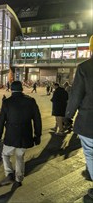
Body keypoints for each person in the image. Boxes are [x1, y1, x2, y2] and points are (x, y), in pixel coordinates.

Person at [0, 81, 42, 189]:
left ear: (11, 89)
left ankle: (9, 173)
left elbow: (1, 120)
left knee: (5, 154)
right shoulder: (31, 101)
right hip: (25, 134)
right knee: (20, 156)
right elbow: (37, 119)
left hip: (11, 134)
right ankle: (19, 178)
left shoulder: (7, 102)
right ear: (21, 89)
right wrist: (38, 135)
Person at [64, 35, 93, 199]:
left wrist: (68, 116)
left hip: (89, 122)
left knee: (90, 153)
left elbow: (75, 96)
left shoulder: (85, 68)